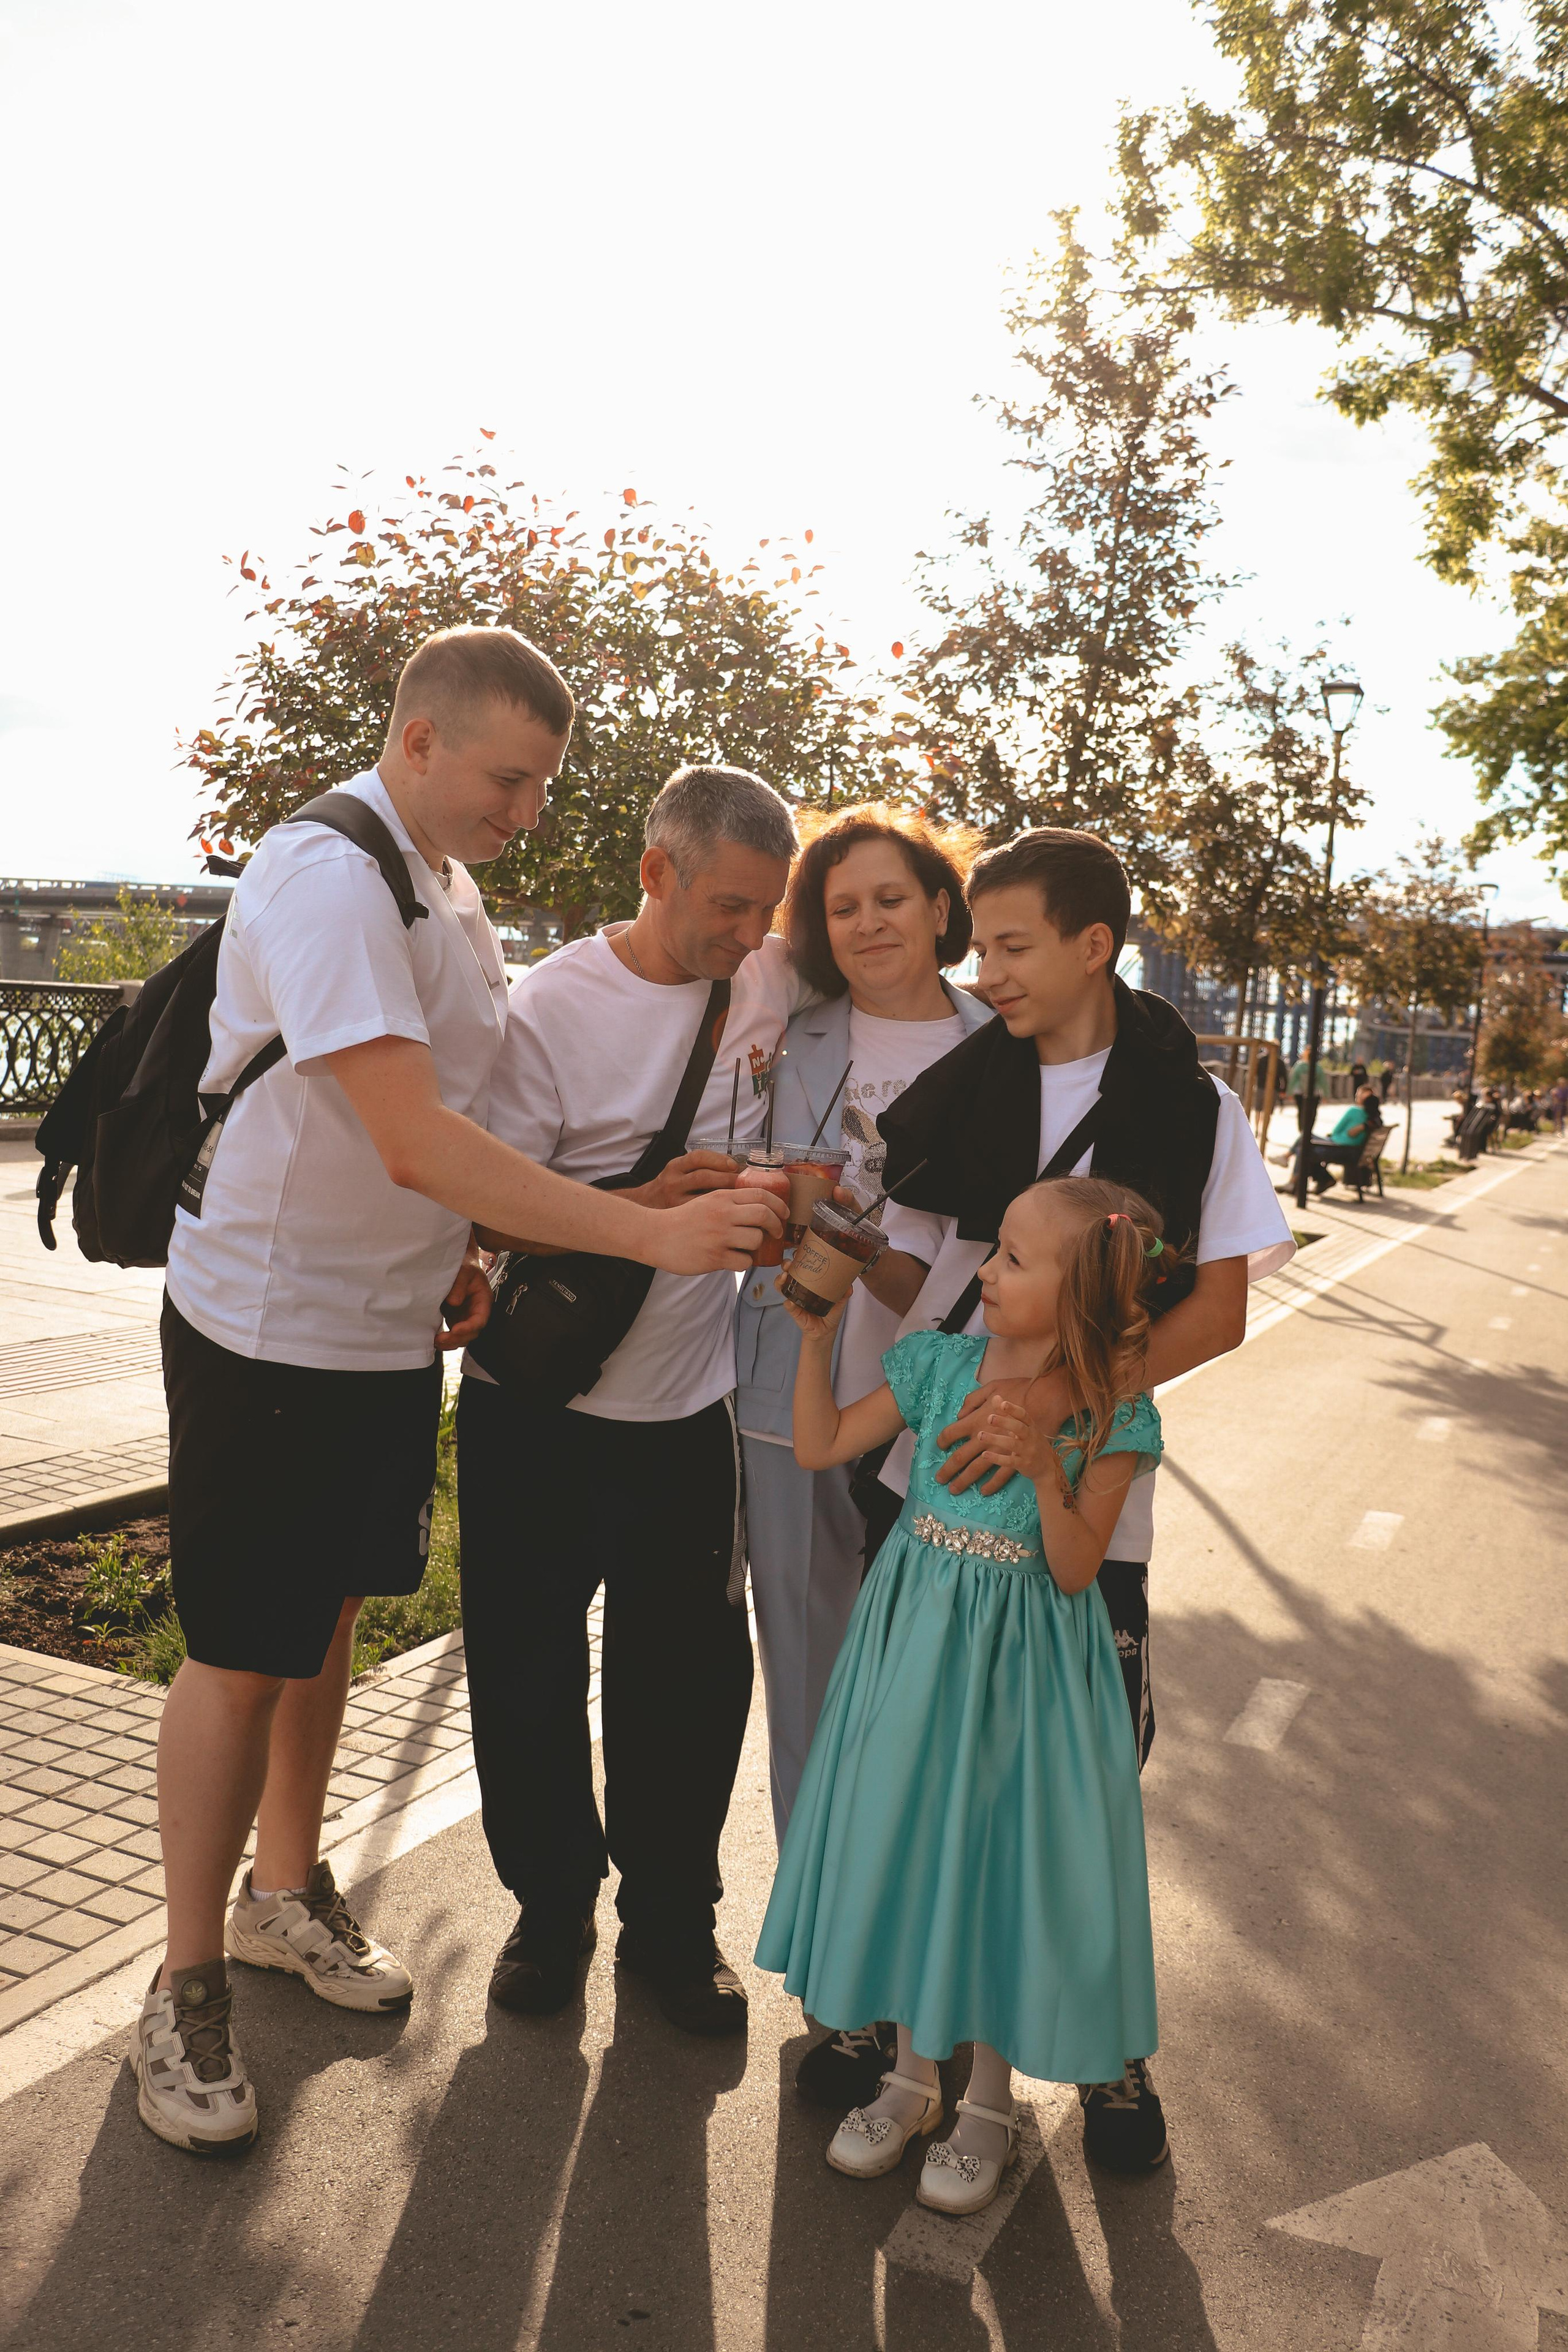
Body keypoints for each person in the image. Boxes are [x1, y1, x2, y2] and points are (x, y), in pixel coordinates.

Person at [143, 633, 781, 2158]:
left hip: (379, 1331)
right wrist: (646, 1226)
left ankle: (282, 1891)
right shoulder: (323, 871)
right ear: (418, 741)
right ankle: (181, 1987)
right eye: (509, 778)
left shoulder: (446, 881)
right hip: (267, 1324)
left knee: (324, 1624)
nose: (526, 809)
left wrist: (461, 1254)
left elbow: (442, 1155)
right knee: (241, 1646)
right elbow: (414, 1132)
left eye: (542, 784)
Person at [807, 826, 1293, 2169]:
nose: (987, 969)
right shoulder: (960, 1092)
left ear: (1094, 945)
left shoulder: (1191, 1106)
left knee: (1071, 1785)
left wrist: (1057, 1400)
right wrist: (837, 1263)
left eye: (1012, 946)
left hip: (1078, 1515)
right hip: (932, 1500)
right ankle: (913, 2036)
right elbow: (929, 1287)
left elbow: (1221, 1306)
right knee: (926, 1775)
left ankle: (1101, 2053)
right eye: (981, 943)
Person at [458, 765, 809, 2038]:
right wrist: (644, 1206)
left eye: (764, 909)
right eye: (725, 905)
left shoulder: (764, 976)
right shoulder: (550, 1006)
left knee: (689, 1681)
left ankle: (672, 1927)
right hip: (532, 1404)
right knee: (525, 1670)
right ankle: (549, 1912)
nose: (747, 935)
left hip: (683, 1411)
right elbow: (485, 1200)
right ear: (655, 870)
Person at [756, 1178, 1166, 2217]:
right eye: (994, 1251)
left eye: (1015, 1261)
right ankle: (908, 2079)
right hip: (913, 1646)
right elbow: (818, 1445)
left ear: (1080, 1296)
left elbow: (1077, 1569)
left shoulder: (1116, 1416)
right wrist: (815, 1339)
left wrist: (1042, 1470)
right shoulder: (939, 1365)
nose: (983, 1271)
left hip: (1028, 1667)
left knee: (993, 1864)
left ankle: (985, 2099)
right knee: (905, 1842)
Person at [734, 804, 992, 1853]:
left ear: (940, 907)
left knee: (946, 1684)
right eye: (843, 908)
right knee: (808, 1675)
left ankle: (923, 1930)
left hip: (958, 1402)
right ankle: (831, 1965)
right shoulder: (789, 1034)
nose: (869, 923)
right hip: (795, 1391)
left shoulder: (1001, 1042)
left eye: (891, 898)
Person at [1287, 1084, 1379, 1194]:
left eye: (1359, 1096)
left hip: (1341, 1149)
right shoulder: (1374, 1118)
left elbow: (1336, 1130)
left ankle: (1296, 1181)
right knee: (1306, 1141)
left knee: (1304, 1147)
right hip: (1353, 1151)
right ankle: (1299, 1175)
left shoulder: (1354, 1111)